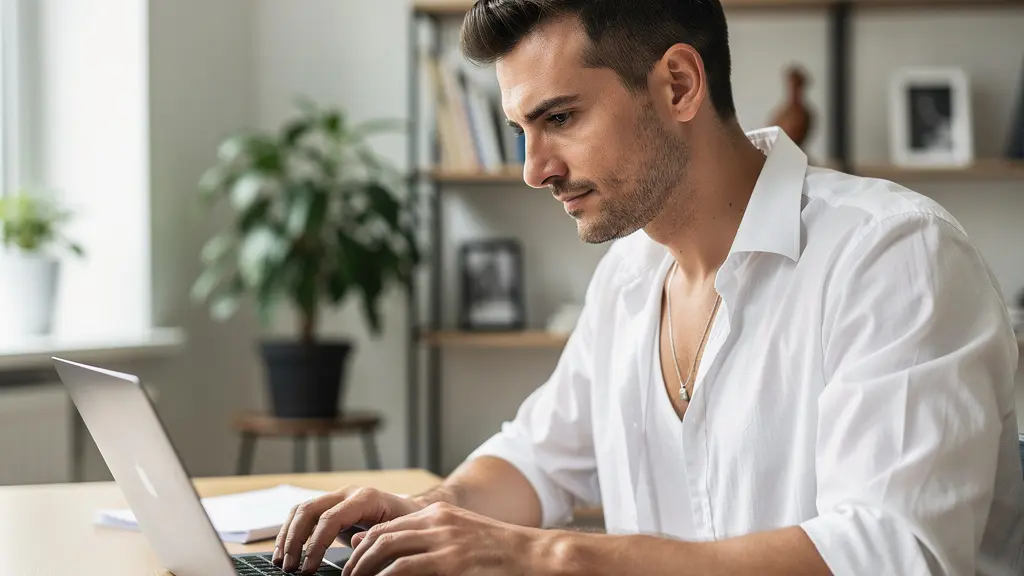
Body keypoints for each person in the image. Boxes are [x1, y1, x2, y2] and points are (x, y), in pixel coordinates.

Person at [274, 1, 1024, 574]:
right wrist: (430, 513)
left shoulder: (894, 256)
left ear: (678, 83)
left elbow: (890, 551)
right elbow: (538, 458)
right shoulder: (629, 277)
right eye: (520, 131)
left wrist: (548, 557)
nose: (535, 169)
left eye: (559, 117)